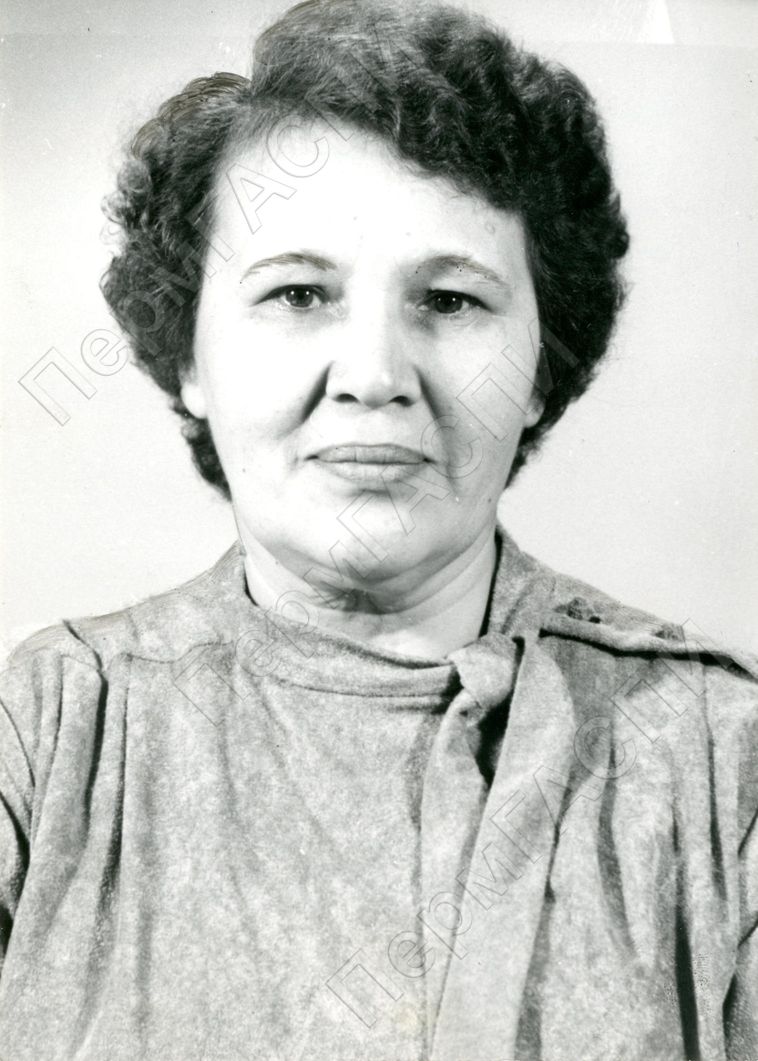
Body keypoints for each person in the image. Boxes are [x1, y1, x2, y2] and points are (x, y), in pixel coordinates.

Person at [0, 0, 755, 1058]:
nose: (372, 375)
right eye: (297, 293)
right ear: (189, 358)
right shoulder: (45, 734)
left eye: (448, 301)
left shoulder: (719, 758)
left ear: (543, 368)